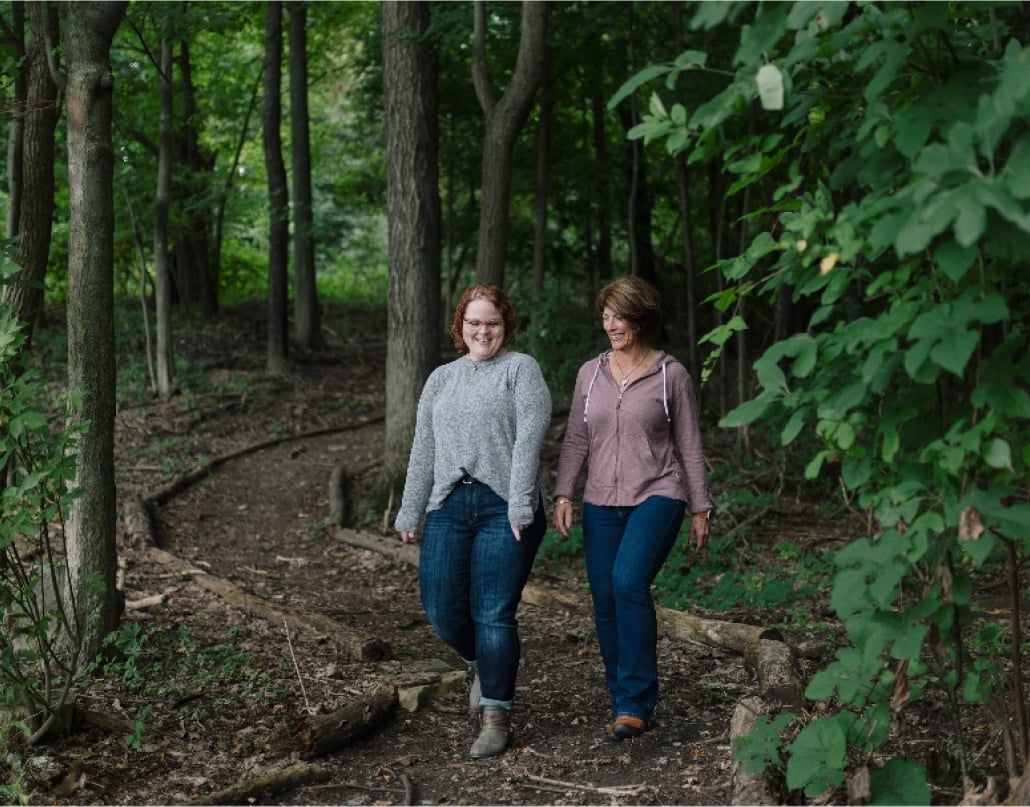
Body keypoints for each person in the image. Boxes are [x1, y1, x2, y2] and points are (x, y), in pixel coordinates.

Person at [395, 283, 551, 759]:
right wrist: (411, 507)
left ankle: (496, 713)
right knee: (442, 610)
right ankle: (482, 664)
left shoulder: (521, 370)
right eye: (474, 322)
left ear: (507, 326)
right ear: (460, 326)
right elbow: (424, 447)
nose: (483, 331)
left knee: (493, 612)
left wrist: (521, 503)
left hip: (505, 506)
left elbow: (530, 438)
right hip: (448, 505)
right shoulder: (442, 378)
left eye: (493, 323)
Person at [553, 274, 712, 741]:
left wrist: (700, 506)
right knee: (604, 598)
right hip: (600, 498)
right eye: (605, 315)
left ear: (639, 318)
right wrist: (564, 493)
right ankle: (622, 696)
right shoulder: (591, 373)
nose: (610, 324)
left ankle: (637, 701)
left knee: (628, 582)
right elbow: (576, 438)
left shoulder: (670, 375)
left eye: (618, 315)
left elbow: (689, 443)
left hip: (657, 492)